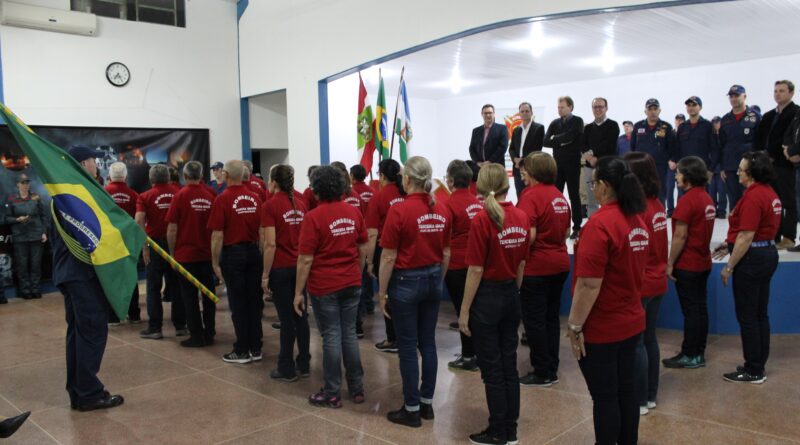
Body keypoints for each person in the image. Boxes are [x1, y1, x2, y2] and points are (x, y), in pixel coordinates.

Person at [566, 156, 647, 445]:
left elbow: (589, 284)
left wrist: (575, 326)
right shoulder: (636, 218)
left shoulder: (600, 224)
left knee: (604, 397)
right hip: (631, 321)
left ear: (603, 186)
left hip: (603, 328)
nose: (590, 189)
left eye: (592, 183)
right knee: (627, 391)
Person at [377, 156, 451, 428]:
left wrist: (381, 292)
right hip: (432, 278)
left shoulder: (399, 210)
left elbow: (388, 257)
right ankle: (426, 404)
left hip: (406, 281)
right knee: (427, 343)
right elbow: (446, 252)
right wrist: (436, 280)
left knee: (407, 347)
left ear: (406, 180)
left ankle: (411, 409)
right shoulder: (441, 208)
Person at [458, 163, 529, 445]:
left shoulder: (482, 220)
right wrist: (513, 290)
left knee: (492, 369)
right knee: (508, 364)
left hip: (487, 298)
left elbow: (475, 270)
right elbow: (522, 262)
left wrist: (464, 310)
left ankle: (498, 429)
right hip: (511, 293)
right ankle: (509, 428)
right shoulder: (521, 215)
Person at [54, 145, 124, 411]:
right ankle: (88, 394)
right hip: (81, 274)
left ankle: (79, 389)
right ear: (84, 164)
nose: (97, 165)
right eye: (94, 160)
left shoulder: (61, 193)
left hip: (69, 274)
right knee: (92, 332)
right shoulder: (79, 195)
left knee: (78, 333)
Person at [293, 165, 367, 408]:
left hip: (325, 286)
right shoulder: (353, 212)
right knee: (349, 336)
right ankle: (356, 388)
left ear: (316, 189)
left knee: (332, 336)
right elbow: (362, 247)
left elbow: (305, 259)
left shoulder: (313, 218)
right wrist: (357, 270)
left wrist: (297, 292)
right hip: (351, 282)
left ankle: (332, 392)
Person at [712, 151, 780, 384]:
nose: (738, 172)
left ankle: (753, 369)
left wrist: (729, 266)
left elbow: (746, 236)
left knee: (748, 316)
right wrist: (728, 244)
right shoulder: (769, 193)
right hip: (766, 254)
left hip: (751, 259)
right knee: (760, 313)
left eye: (741, 169)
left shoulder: (753, 197)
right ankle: (758, 362)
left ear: (751, 173)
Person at [517, 152, 571, 387]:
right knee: (550, 318)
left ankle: (542, 371)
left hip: (537, 267)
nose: (522, 173)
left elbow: (528, 235)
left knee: (535, 321)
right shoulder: (559, 196)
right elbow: (567, 231)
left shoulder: (530, 196)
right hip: (559, 264)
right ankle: (551, 365)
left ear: (534, 172)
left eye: (525, 169)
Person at [623, 152, 668, 416]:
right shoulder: (657, 205)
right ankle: (649, 395)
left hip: (642, 283)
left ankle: (639, 398)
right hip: (657, 279)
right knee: (649, 339)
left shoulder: (639, 210)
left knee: (638, 343)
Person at [208, 160, 264, 364]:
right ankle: (256, 347)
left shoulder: (222, 199)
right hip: (253, 253)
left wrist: (215, 262)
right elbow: (262, 231)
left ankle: (241, 350)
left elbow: (217, 235)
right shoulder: (255, 198)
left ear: (226, 174)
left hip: (233, 255)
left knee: (238, 303)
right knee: (254, 302)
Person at [663, 156, 715, 369]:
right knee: (700, 310)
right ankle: (698, 352)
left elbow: (680, 237)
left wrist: (670, 263)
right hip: (703, 262)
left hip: (688, 264)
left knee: (692, 311)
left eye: (679, 172)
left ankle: (690, 354)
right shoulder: (706, 198)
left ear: (688, 175)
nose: (676, 176)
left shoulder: (688, 200)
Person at [261, 164, 310, 381]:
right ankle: (304, 362)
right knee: (300, 315)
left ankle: (286, 367)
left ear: (273, 181)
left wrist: (264, 274)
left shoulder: (270, 206)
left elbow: (270, 245)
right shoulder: (301, 205)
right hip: (299, 267)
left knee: (286, 319)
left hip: (281, 269)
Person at [165, 161, 217, 347]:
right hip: (207, 255)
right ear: (201, 175)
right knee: (209, 296)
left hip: (186, 256)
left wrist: (172, 254)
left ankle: (196, 335)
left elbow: (172, 229)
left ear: (185, 177)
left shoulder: (180, 196)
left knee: (190, 297)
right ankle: (210, 332)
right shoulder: (211, 195)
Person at [135, 164, 186, 339]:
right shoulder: (179, 193)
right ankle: (181, 325)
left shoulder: (145, 196)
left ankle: (155, 328)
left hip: (155, 246)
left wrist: (144, 247)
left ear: (151, 179)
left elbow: (139, 220)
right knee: (177, 287)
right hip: (176, 245)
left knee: (153, 287)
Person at [443, 160, 483, 372]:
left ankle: (469, 356)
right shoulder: (478, 203)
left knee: (463, 310)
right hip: (477, 263)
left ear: (450, 181)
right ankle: (477, 351)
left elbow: (445, 238)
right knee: (474, 310)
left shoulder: (448, 205)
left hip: (458, 265)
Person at [366, 159, 406, 353]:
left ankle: (393, 338)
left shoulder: (378, 198)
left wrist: (370, 261)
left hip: (385, 250)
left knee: (387, 294)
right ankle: (407, 337)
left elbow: (372, 233)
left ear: (381, 176)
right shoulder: (406, 194)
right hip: (407, 249)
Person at [755, 80, 799, 250]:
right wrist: (761, 156)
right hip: (766, 166)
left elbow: (790, 140)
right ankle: (775, 235)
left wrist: (773, 154)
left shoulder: (796, 113)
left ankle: (789, 236)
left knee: (789, 201)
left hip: (786, 164)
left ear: (791, 93)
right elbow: (759, 139)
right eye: (775, 91)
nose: (777, 94)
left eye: (781, 90)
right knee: (773, 202)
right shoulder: (768, 116)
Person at [104, 162, 142, 323]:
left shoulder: (103, 193)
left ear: (110, 176)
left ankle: (113, 316)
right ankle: (134, 314)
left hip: (110, 244)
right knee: (131, 278)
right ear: (125, 176)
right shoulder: (134, 195)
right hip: (129, 243)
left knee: (112, 279)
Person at [543, 96, 585, 239]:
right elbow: (545, 141)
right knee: (556, 196)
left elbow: (571, 136)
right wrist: (561, 141)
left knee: (574, 196)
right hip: (558, 164)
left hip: (573, 164)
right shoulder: (555, 123)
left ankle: (577, 227)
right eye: (558, 107)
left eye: (562, 107)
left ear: (570, 107)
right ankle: (558, 225)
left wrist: (556, 140)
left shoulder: (577, 121)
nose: (559, 110)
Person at [4, 173, 48, 299]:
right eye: (23, 183)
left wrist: (44, 232)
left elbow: (43, 215)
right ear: (17, 184)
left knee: (36, 264)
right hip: (20, 236)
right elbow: (6, 218)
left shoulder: (35, 197)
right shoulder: (12, 199)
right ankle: (25, 291)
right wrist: (17, 219)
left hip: (36, 235)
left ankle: (35, 289)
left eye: (27, 182)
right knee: (22, 265)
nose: (25, 185)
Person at [719, 85, 760, 209]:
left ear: (745, 96)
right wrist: (722, 167)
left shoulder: (755, 117)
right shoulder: (725, 119)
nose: (733, 99)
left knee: (750, 200)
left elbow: (760, 143)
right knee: (734, 201)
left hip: (749, 167)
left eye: (737, 95)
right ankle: (735, 228)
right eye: (731, 96)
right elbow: (721, 144)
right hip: (731, 167)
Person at [631, 98, 676, 206]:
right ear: (645, 111)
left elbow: (673, 148)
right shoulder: (638, 126)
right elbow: (633, 147)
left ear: (659, 110)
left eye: (655, 108)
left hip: (660, 168)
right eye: (650, 109)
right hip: (641, 167)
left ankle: (659, 219)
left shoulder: (666, 127)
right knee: (641, 195)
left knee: (659, 195)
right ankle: (642, 220)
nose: (652, 111)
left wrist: (672, 160)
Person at [673, 97, 717, 206]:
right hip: (684, 171)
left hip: (701, 171)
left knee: (701, 202)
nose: (691, 108)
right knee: (684, 202)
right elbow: (677, 149)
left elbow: (715, 149)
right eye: (689, 105)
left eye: (694, 105)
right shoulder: (682, 127)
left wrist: (710, 170)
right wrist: (677, 166)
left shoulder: (707, 126)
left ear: (700, 107)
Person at [582, 97, 620, 217]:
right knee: (592, 201)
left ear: (606, 108)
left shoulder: (613, 125)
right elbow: (583, 145)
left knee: (608, 199)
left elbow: (608, 145)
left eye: (600, 106)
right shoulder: (587, 128)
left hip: (606, 168)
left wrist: (595, 158)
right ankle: (593, 227)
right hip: (589, 168)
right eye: (595, 107)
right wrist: (589, 158)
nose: (598, 109)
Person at [350, 164, 376, 317]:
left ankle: (362, 307)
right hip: (370, 236)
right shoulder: (372, 191)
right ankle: (369, 303)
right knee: (367, 272)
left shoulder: (352, 193)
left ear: (352, 176)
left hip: (358, 236)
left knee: (360, 272)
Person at [509, 102, 544, 198]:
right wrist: (515, 159)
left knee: (532, 196)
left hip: (531, 169)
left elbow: (537, 149)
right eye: (522, 111)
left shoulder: (539, 128)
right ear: (519, 113)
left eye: (527, 111)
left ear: (531, 113)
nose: (524, 113)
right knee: (520, 196)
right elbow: (511, 148)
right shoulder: (516, 130)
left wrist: (522, 161)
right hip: (517, 169)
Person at [665, 114, 686, 216]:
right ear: (675, 121)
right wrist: (669, 161)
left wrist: (678, 163)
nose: (679, 122)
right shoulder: (670, 133)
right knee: (669, 189)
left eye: (681, 120)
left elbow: (684, 150)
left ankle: (680, 210)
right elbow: (666, 149)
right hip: (670, 165)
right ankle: (670, 210)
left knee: (681, 189)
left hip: (682, 166)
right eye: (677, 120)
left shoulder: (686, 134)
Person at [709, 116, 728, 218]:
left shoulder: (724, 136)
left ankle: (721, 211)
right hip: (712, 167)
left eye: (717, 122)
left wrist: (723, 168)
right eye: (714, 122)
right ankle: (713, 210)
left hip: (721, 168)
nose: (715, 124)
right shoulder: (710, 136)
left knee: (722, 191)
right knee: (711, 191)